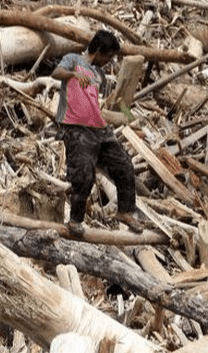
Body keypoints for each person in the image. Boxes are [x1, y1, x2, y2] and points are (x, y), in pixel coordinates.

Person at [50, 29, 144, 236]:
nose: (110, 61)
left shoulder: (99, 73)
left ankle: (125, 211)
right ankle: (75, 221)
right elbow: (56, 73)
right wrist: (73, 74)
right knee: (83, 174)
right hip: (75, 128)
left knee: (124, 165)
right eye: (108, 56)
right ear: (99, 50)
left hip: (99, 129)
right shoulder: (73, 59)